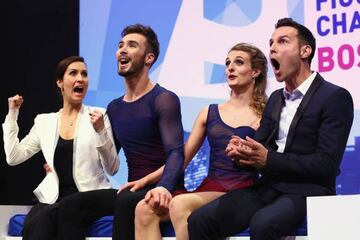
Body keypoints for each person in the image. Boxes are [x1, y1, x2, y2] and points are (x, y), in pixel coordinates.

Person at [186, 17, 354, 240]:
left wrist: (268, 160)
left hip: (307, 191)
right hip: (267, 187)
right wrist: (243, 151)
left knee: (264, 224)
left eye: (283, 41)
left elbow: (326, 164)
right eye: (271, 43)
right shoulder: (275, 99)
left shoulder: (334, 97)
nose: (273, 48)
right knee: (200, 220)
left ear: (305, 51)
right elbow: (262, 146)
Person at [134, 43, 268, 240]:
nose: (230, 68)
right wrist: (147, 180)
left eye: (238, 63)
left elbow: (272, 159)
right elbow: (182, 157)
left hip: (240, 191)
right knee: (144, 209)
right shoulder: (209, 112)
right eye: (228, 63)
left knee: (179, 205)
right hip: (209, 187)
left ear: (255, 71)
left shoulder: (265, 114)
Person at [2, 56, 120, 240]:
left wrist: (101, 132)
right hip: (55, 196)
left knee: (61, 210)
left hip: (91, 194)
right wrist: (12, 114)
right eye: (73, 73)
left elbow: (113, 168)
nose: (80, 78)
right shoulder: (44, 122)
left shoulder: (99, 115)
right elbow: (13, 157)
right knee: (41, 218)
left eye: (84, 74)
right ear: (60, 83)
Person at [106, 24, 185, 240]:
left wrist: (164, 187)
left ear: (149, 58)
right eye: (120, 45)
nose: (122, 50)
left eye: (132, 45)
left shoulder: (164, 99)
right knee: (72, 205)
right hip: (131, 188)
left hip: (165, 188)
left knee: (124, 201)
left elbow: (176, 153)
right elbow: (109, 161)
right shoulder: (114, 108)